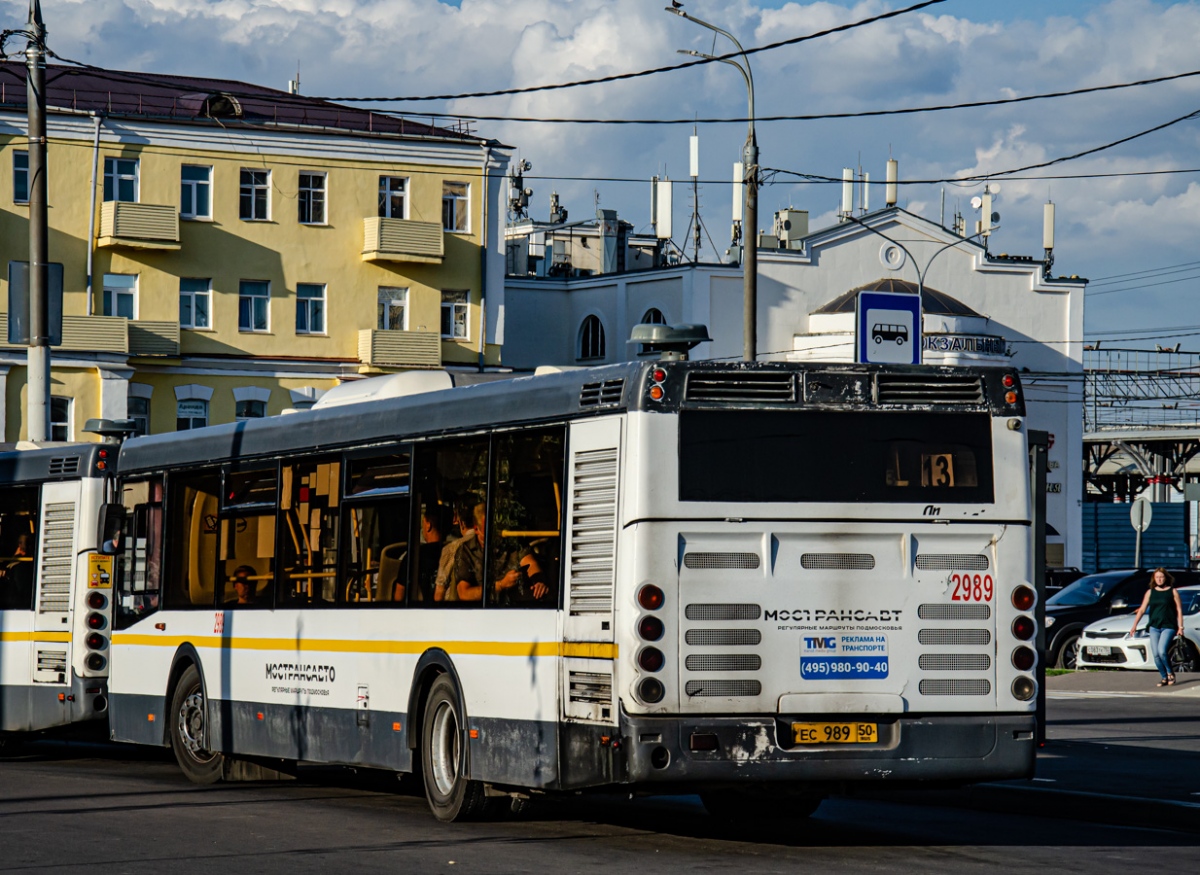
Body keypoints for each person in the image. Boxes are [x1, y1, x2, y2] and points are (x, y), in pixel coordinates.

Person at [453, 503, 548, 604]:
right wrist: (501, 585)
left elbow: (530, 563)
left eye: (498, 525)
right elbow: (464, 594)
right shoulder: (465, 551)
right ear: (476, 529)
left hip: (513, 607)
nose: (497, 531)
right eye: (490, 527)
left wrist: (538, 581)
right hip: (481, 611)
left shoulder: (512, 542)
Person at [1129, 567, 1184, 686]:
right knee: (1155, 654)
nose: (1159, 579)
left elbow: (1179, 610)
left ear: (1166, 578)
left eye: (1161, 577)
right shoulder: (1150, 592)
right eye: (1157, 577)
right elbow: (1142, 609)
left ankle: (1170, 673)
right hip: (1154, 626)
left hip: (1168, 626)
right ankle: (1164, 677)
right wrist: (1134, 626)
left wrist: (1180, 627)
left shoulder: (1173, 591)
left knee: (1162, 651)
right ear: (1154, 579)